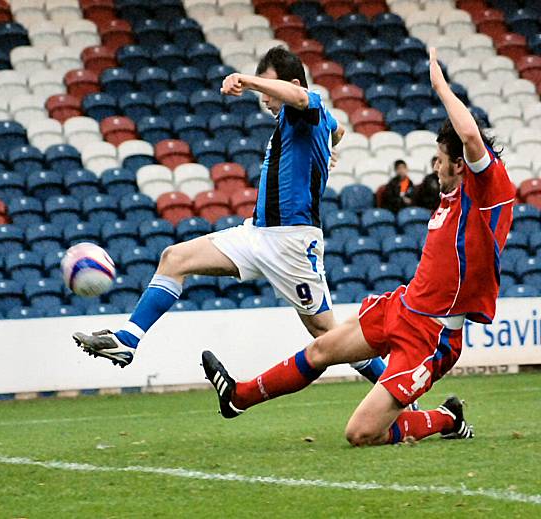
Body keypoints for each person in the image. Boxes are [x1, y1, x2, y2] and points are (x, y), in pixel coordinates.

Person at [202, 47, 516, 446]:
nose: (434, 168)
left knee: (361, 433)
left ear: (460, 164)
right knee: (320, 350)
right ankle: (238, 396)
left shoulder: (489, 190)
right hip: (403, 307)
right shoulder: (451, 196)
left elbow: (469, 135)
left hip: (432, 336)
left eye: (439, 160)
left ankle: (445, 418)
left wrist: (439, 85)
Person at [72, 46, 388, 384]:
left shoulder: (303, 110)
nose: (264, 98)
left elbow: (303, 98)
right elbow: (337, 129)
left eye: (269, 88)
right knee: (175, 258)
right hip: (257, 234)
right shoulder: (304, 121)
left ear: (291, 83)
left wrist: (247, 81)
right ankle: (127, 340)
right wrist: (330, 146)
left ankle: (401, 394)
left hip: (291, 244)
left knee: (330, 337)